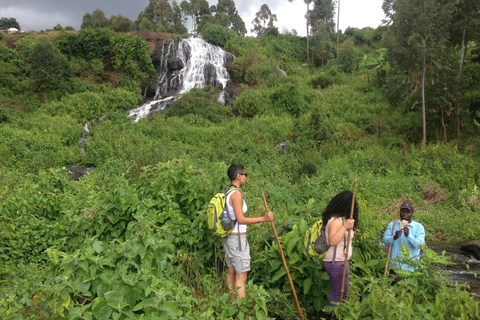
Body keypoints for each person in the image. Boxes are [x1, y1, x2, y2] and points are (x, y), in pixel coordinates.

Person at [222, 164, 274, 299]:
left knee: (232, 271)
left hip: (229, 237)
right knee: (241, 275)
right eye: (245, 174)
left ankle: (233, 305)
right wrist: (263, 218)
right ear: (238, 176)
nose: (246, 177)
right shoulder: (236, 194)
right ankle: (242, 312)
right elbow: (240, 219)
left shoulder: (227, 191)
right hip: (237, 240)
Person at [322, 191, 359, 305]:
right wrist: (345, 227)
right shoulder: (336, 221)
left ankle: (336, 314)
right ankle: (332, 315)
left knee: (342, 293)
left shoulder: (342, 220)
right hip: (336, 262)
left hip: (341, 261)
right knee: (337, 294)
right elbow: (332, 241)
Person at [382, 202, 425, 272]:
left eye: (408, 212)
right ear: (400, 212)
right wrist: (394, 237)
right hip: (394, 267)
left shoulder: (418, 227)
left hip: (410, 268)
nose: (405, 214)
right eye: (403, 212)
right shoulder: (393, 224)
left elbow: (421, 245)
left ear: (412, 213)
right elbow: (385, 241)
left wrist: (409, 235)